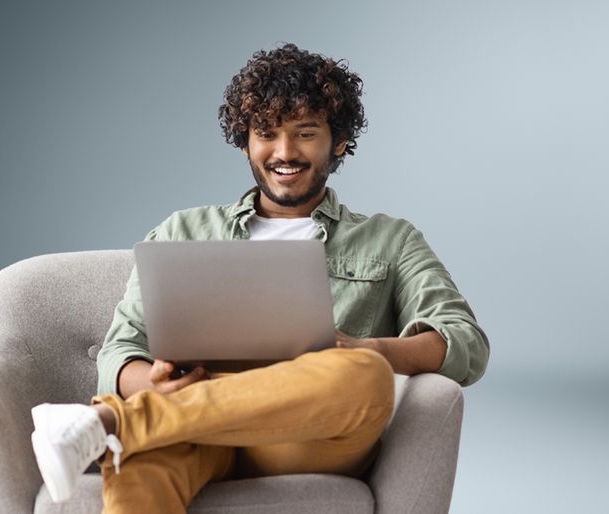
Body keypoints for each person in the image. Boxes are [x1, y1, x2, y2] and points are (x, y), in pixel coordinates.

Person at [29, 43, 490, 513]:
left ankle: (109, 424)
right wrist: (151, 382)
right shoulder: (183, 231)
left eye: (305, 133)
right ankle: (147, 420)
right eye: (266, 133)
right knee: (143, 467)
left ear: (340, 141)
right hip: (188, 431)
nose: (284, 152)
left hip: (302, 439)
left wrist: (368, 349)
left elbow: (465, 342)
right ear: (245, 141)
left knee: (366, 375)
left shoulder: (389, 239)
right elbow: (121, 347)